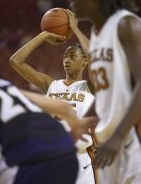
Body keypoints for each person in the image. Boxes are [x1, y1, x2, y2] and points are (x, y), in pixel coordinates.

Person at [67, 0, 141, 183]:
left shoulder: (126, 24)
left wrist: (118, 136)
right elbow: (107, 90)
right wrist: (84, 121)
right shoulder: (97, 33)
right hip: (109, 142)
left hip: (128, 138)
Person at [10, 32, 96, 184]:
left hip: (80, 158)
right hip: (52, 157)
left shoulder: (90, 87)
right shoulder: (51, 84)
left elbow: (96, 59)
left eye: (72, 56)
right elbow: (15, 61)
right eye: (64, 56)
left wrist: (75, 29)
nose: (66, 60)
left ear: (84, 62)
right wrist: (43, 35)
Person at [0, 76, 95, 184]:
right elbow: (64, 107)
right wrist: (76, 129)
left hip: (29, 163)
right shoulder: (4, 85)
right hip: (66, 154)